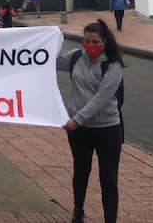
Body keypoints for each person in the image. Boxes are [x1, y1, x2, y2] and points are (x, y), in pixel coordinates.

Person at [56, 19, 125, 223]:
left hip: (107, 129)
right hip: (80, 130)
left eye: (95, 42)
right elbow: (48, 61)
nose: (90, 45)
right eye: (86, 41)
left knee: (108, 177)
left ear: (104, 42)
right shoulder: (76, 57)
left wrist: (76, 119)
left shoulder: (112, 65)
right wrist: (50, 41)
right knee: (80, 171)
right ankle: (78, 210)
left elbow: (102, 98)